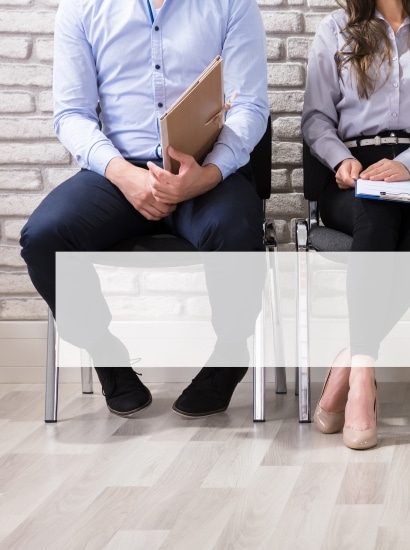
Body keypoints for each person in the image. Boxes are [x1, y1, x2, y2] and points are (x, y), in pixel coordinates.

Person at [19, 0, 269, 418]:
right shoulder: (81, 9)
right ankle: (104, 352)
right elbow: (72, 114)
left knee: (238, 229)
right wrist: (122, 174)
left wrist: (206, 174)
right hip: (120, 173)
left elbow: (250, 106)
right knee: (44, 236)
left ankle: (229, 353)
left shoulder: (232, 4)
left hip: (203, 167)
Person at [302, 0, 410, 449]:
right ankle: (363, 383)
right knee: (375, 215)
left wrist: (409, 164)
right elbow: (317, 119)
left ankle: (352, 361)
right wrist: (341, 159)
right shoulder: (335, 30)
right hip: (356, 172)